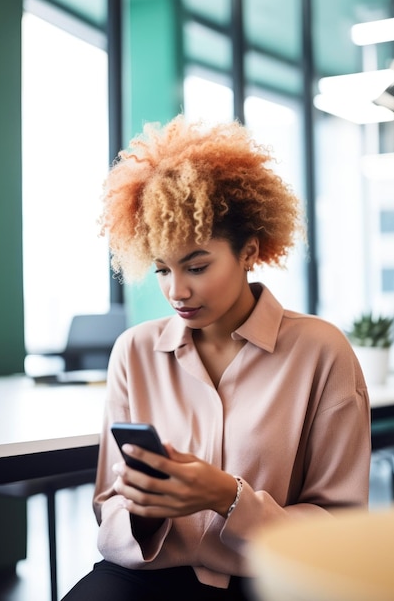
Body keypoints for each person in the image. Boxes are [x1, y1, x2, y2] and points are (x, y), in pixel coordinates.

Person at [61, 116, 370, 601]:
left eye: (197, 266)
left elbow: (340, 528)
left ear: (249, 251)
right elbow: (109, 503)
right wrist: (143, 508)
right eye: (162, 269)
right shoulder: (135, 351)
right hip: (151, 571)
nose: (176, 291)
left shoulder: (320, 352)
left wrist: (228, 498)